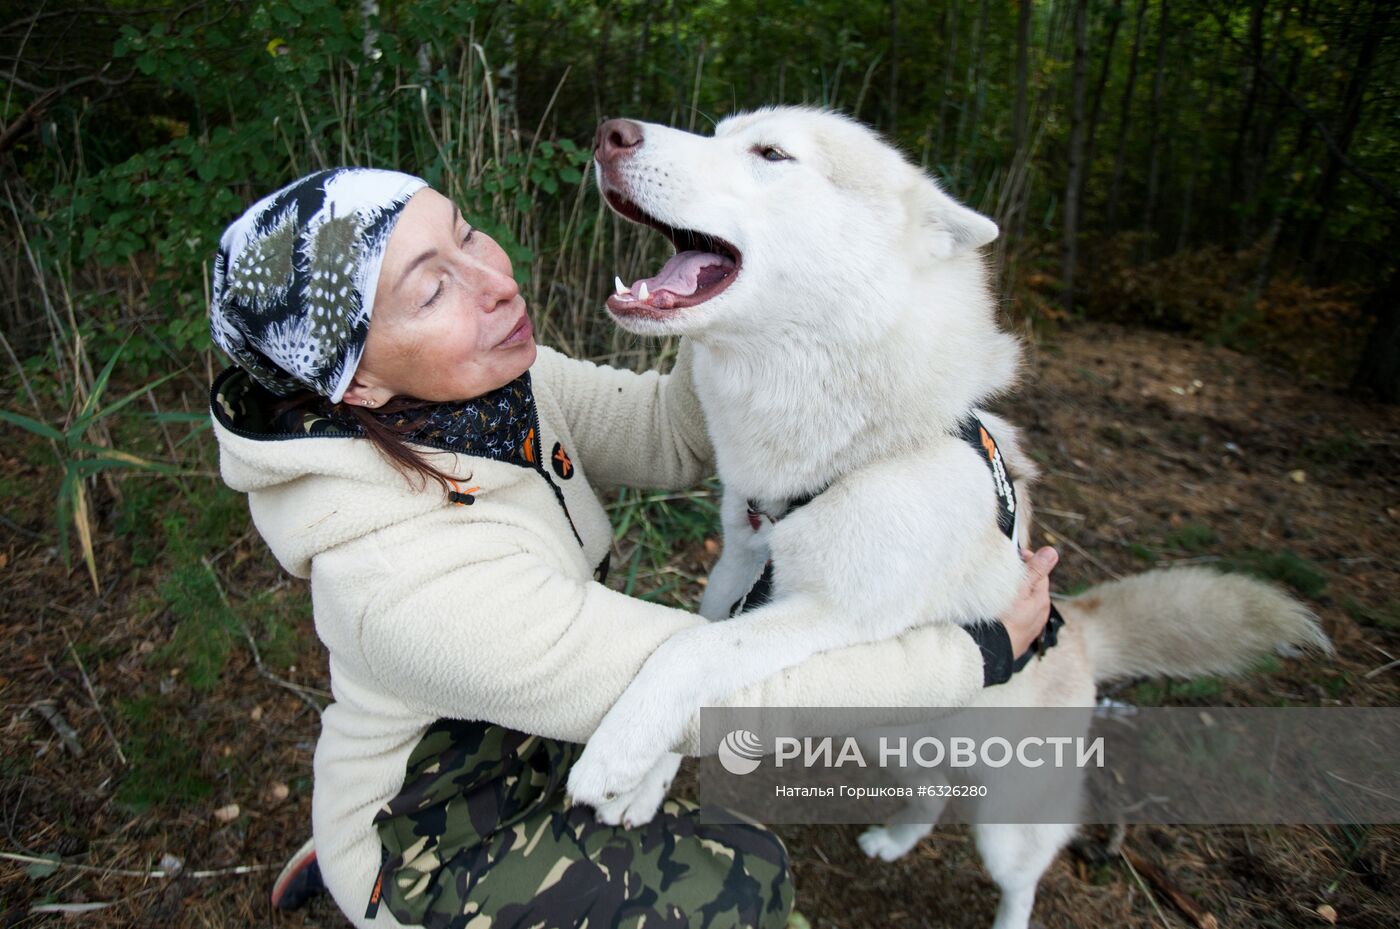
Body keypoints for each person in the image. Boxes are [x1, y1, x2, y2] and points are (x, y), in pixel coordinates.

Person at [208, 167, 1058, 929]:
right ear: (357, 380)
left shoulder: (497, 392)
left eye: (466, 233)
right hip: (445, 832)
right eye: (432, 291)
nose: (496, 282)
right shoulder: (399, 576)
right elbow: (722, 691)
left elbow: (673, 431)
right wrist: (977, 652)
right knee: (743, 888)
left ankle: (349, 833)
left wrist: (740, 285)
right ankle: (370, 874)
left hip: (548, 742)